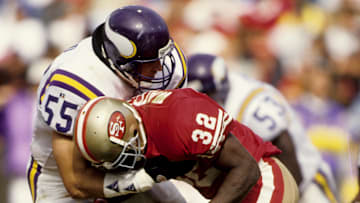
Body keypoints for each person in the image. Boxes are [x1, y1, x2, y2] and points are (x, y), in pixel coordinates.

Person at [26, 5, 188, 203]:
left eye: (160, 57)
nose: (160, 67)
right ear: (123, 61)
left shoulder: (165, 66)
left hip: (132, 159)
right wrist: (140, 180)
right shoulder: (75, 81)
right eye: (150, 61)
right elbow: (75, 183)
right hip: (63, 178)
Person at [74, 88, 300, 203]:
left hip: (264, 184)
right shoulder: (134, 128)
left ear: (132, 129)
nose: (121, 164)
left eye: (122, 154)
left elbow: (247, 168)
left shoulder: (177, 121)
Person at [187, 53, 338, 203]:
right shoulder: (225, 92)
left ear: (217, 89)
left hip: (306, 180)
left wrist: (291, 197)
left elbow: (286, 149)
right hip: (269, 185)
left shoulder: (252, 103)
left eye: (205, 94)